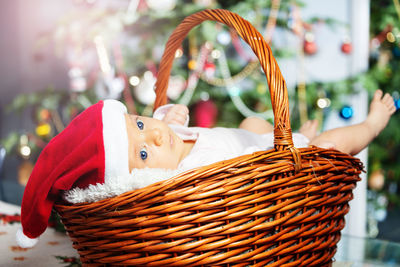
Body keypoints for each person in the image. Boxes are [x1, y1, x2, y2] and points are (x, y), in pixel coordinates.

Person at [17, 89, 395, 248]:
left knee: (252, 125)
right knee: (329, 146)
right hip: (272, 165)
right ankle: (372, 125)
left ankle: (293, 134)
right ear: (141, 182)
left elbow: (161, 126)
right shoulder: (174, 186)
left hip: (250, 137)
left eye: (140, 125)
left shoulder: (163, 134)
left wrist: (170, 116)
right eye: (143, 156)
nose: (155, 138)